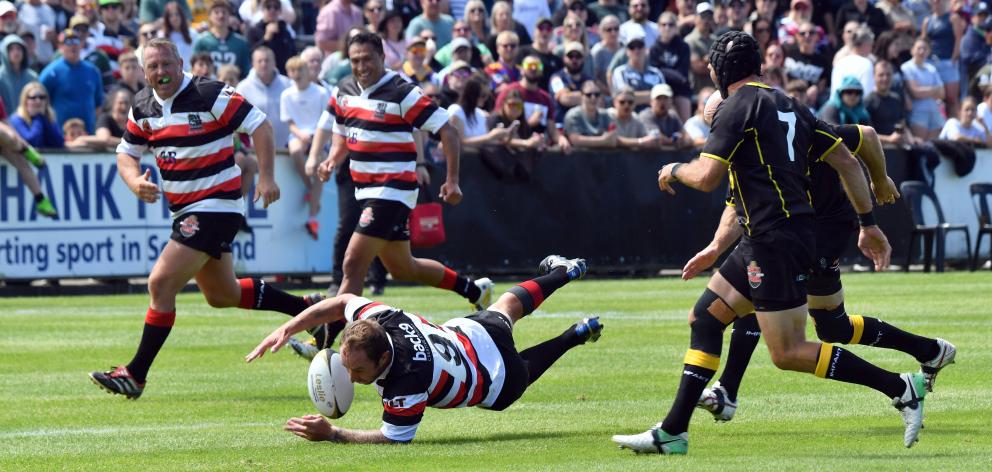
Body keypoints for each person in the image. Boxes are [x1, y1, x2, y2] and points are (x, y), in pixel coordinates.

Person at [612, 31, 930, 454]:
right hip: (767, 236)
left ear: (722, 70)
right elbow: (847, 162)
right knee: (705, 318)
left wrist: (673, 169)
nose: (709, 74)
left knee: (788, 351)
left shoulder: (735, 106)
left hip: (775, 241)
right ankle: (673, 432)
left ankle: (900, 387)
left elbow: (706, 178)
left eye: (711, 68)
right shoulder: (791, 105)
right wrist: (868, 222)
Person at [687, 94, 955, 435]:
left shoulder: (798, 132)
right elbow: (736, 207)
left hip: (824, 230)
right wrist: (714, 247)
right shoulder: (746, 149)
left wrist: (879, 180)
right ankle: (929, 350)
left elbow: (867, 137)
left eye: (719, 121)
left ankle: (727, 390)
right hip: (789, 232)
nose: (718, 129)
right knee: (831, 328)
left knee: (766, 293)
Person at [87, 38, 320, 400]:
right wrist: (134, 181)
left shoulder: (208, 92)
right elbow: (125, 152)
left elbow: (260, 126)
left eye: (167, 64)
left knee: (160, 283)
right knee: (221, 294)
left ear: (181, 63)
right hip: (185, 210)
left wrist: (268, 176)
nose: (161, 72)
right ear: (144, 71)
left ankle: (135, 374)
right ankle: (311, 310)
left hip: (217, 206)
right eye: (154, 67)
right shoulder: (143, 105)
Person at [247, 255, 602, 444]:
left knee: (521, 373)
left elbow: (393, 437)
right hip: (470, 335)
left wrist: (334, 434)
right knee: (508, 305)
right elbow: (342, 302)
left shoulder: (406, 380)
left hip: (489, 380)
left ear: (384, 358)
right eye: (348, 367)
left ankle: (573, 335)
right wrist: (289, 326)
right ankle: (563, 271)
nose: (351, 380)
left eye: (358, 372)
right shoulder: (382, 317)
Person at [301, 32, 496, 355]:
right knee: (404, 267)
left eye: (367, 59)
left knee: (353, 264)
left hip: (393, 190)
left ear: (383, 57)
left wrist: (452, 180)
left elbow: (446, 129)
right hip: (366, 190)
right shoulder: (344, 90)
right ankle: (474, 289)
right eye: (355, 60)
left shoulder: (402, 91)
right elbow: (341, 133)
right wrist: (331, 160)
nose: (361, 66)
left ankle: (327, 339)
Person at [280, 55, 329, 238]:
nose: (297, 74)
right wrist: (301, 134)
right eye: (293, 70)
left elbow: (326, 120)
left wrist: (315, 136)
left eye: (300, 70)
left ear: (307, 72)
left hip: (318, 135)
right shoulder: (287, 95)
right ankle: (310, 188)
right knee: (295, 151)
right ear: (288, 73)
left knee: (320, 167)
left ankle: (312, 218)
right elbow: (290, 122)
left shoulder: (321, 93)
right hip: (298, 135)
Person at [38, 29, 103, 133]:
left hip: (88, 134)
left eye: (76, 41)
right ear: (60, 47)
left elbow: (98, 104)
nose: (73, 45)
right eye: (68, 42)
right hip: (61, 137)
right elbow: (39, 101)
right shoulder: (51, 72)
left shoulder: (92, 71)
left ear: (82, 44)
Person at [236, 46, 292, 149]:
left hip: (285, 149)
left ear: (274, 62)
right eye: (260, 61)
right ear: (253, 64)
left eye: (267, 60)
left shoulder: (287, 84)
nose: (264, 64)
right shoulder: (243, 88)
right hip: (254, 151)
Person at [921, 0, 965, 118]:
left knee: (951, 99)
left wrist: (953, 59)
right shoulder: (927, 21)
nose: (936, 2)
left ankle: (954, 123)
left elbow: (958, 39)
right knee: (934, 98)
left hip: (947, 62)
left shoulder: (953, 18)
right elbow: (923, 41)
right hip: (930, 62)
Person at [192, 0, 251, 79]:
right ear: (209, 16)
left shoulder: (241, 42)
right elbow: (195, 69)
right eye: (216, 12)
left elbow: (246, 72)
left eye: (224, 12)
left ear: (229, 16)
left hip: (233, 86)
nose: (221, 15)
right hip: (208, 86)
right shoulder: (201, 41)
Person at [901, 38, 945, 141]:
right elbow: (915, 92)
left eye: (925, 48)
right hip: (918, 113)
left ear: (929, 52)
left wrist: (924, 91)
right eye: (919, 48)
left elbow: (942, 93)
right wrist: (933, 90)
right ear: (912, 50)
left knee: (933, 147)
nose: (922, 51)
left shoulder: (932, 69)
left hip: (934, 113)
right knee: (921, 146)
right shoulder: (906, 68)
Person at [246, 0, 296, 74]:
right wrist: (266, 38)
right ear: (262, 10)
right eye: (268, 7)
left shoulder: (285, 31)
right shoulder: (253, 30)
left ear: (280, 11)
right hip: (260, 74)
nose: (272, 10)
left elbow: (292, 54)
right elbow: (250, 54)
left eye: (276, 7)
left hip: (282, 75)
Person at [564, 80, 616, 148]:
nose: (593, 98)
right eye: (589, 95)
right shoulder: (573, 115)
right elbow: (575, 140)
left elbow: (613, 140)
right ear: (581, 96)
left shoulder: (606, 115)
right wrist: (603, 140)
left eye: (597, 95)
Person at [10, 81, 64, 148]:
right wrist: (37, 118)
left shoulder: (49, 117)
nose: (38, 101)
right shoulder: (17, 119)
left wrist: (44, 119)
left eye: (42, 97)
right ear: (25, 100)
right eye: (33, 98)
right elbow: (31, 142)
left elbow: (59, 143)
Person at [637, 83, 689, 149]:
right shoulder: (645, 116)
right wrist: (675, 141)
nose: (662, 102)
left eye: (665, 98)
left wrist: (683, 139)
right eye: (658, 98)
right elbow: (656, 138)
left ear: (671, 101)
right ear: (651, 101)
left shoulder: (673, 115)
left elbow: (686, 136)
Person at [0, 34, 39, 114]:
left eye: (18, 48)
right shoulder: (1, 77)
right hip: (6, 124)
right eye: (11, 49)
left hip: (29, 123)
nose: (16, 52)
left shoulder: (32, 77)